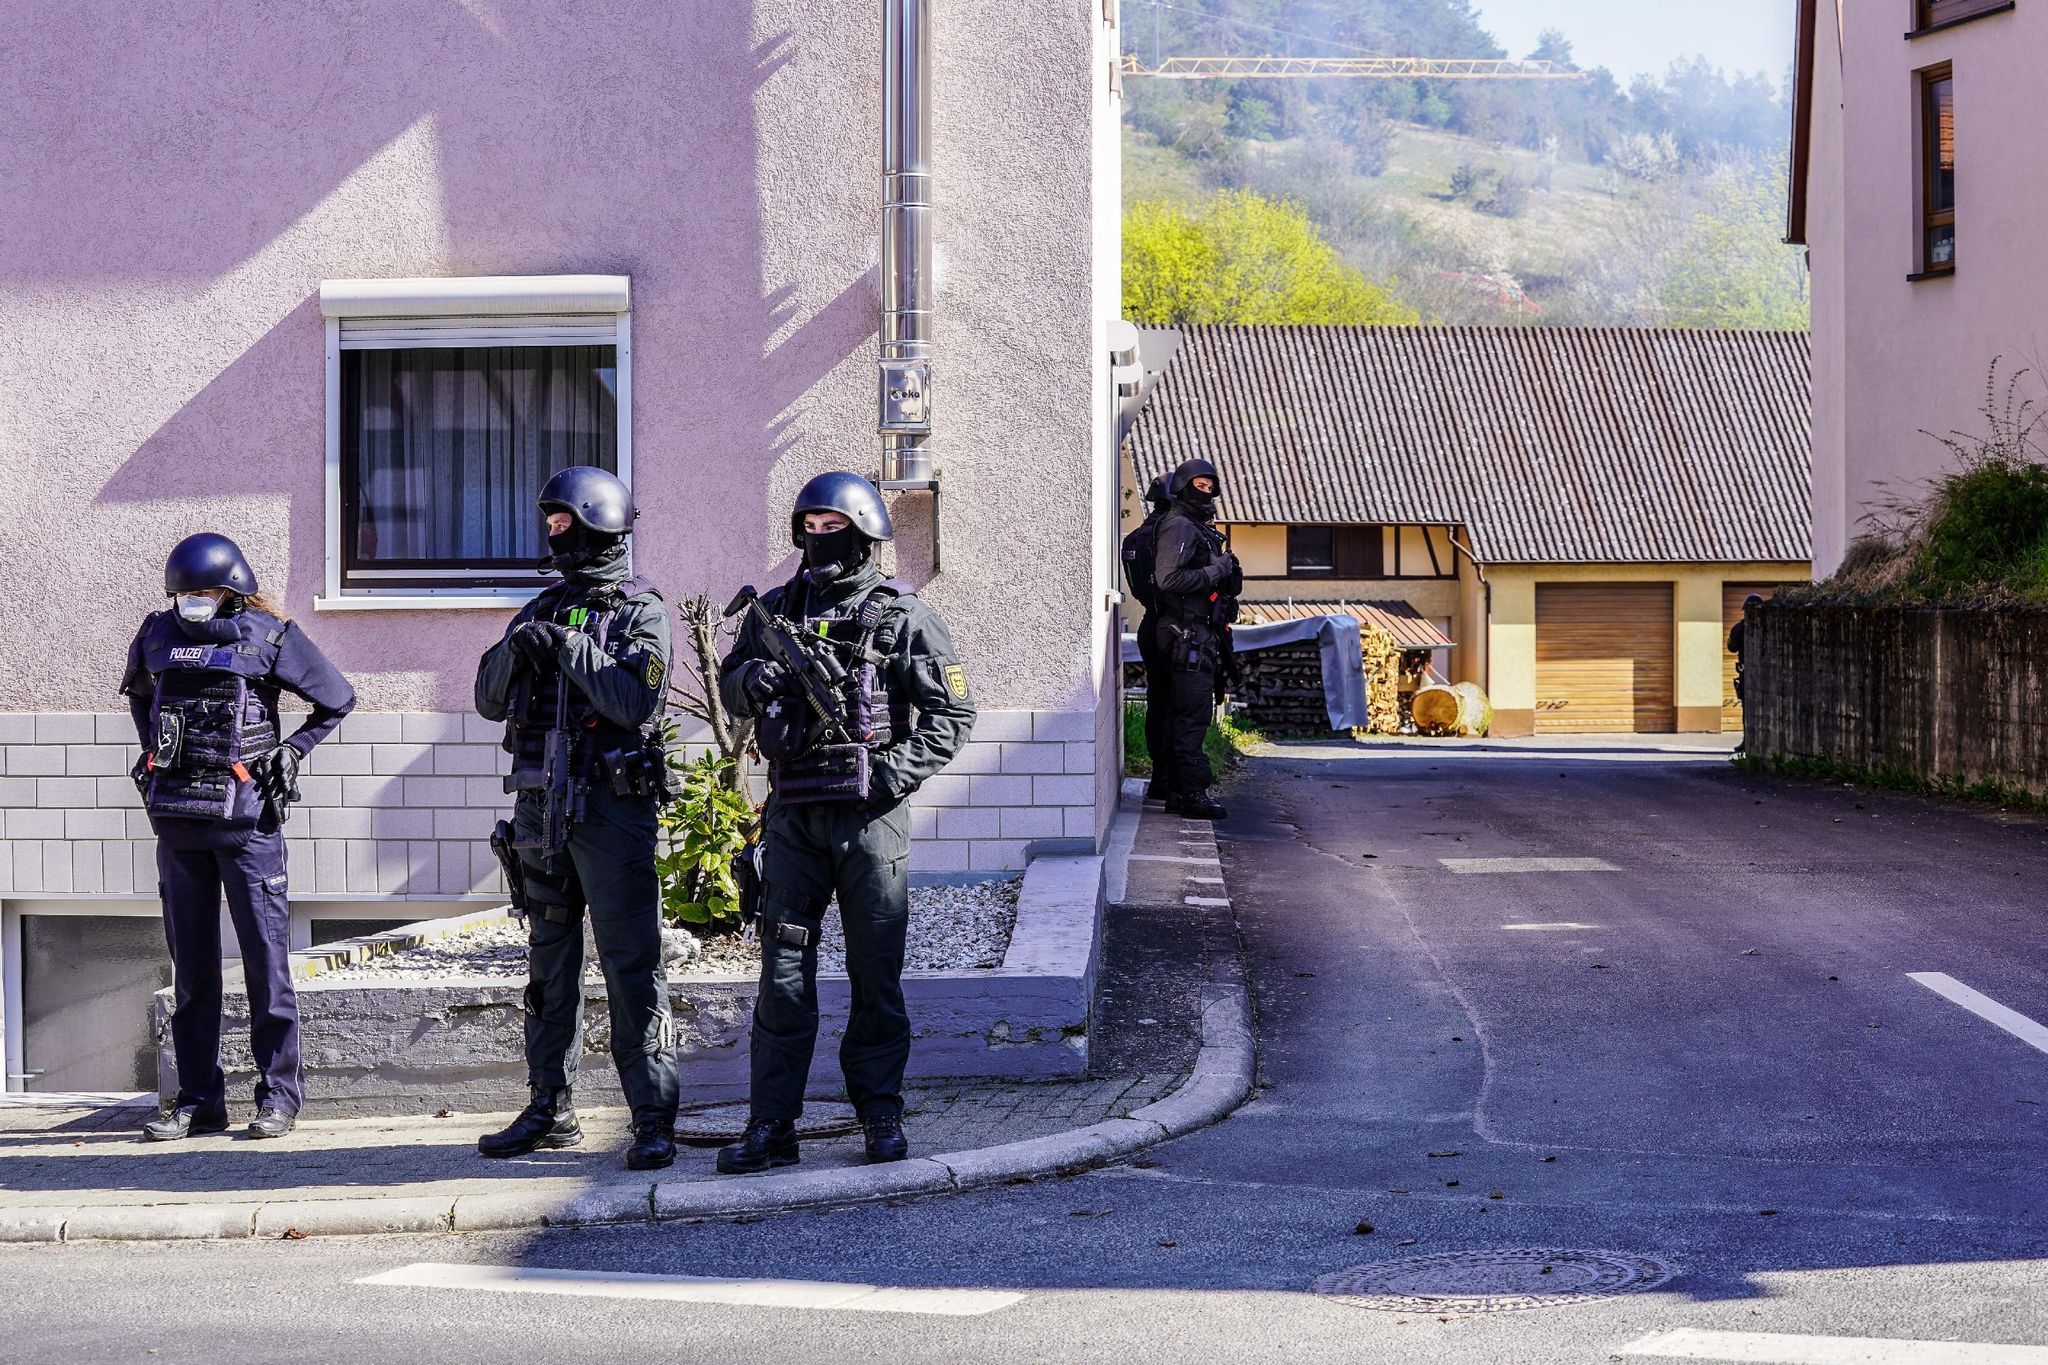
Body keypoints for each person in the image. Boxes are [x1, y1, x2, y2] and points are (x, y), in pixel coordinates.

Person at [715, 471, 975, 1173]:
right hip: (794, 816)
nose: (820, 538)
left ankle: (880, 1114)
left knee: (875, 973)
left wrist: (887, 774)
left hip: (870, 822)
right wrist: (751, 682)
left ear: (865, 534)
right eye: (810, 527)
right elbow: (731, 684)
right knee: (782, 975)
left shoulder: (903, 616)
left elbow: (953, 715)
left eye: (834, 527)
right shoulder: (774, 610)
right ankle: (772, 1125)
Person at [473, 466, 680, 1171]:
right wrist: (515, 648)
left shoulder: (641, 612)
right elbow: (488, 700)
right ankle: (548, 1107)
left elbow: (633, 701)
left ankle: (651, 1116)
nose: (554, 535)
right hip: (540, 807)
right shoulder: (538, 608)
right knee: (548, 963)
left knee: (631, 965)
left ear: (600, 528)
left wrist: (570, 646)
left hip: (611, 811)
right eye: (551, 525)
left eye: (565, 524)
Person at [122, 534, 356, 1141]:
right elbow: (142, 697)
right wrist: (153, 753)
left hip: (248, 824)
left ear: (232, 591)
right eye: (184, 593)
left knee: (265, 966)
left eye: (205, 591)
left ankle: (278, 1098)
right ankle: (198, 1102)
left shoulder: (267, 635)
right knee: (192, 974)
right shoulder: (156, 635)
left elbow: (336, 699)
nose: (193, 601)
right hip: (179, 823)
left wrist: (293, 750)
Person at [1151, 458, 1240, 821]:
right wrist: (1216, 570)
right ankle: (1192, 793)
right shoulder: (1179, 526)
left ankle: (1177, 791)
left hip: (1199, 634)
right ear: (1183, 488)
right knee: (1192, 715)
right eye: (1199, 486)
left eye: (1209, 487)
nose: (1206, 492)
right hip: (1185, 636)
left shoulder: (1197, 527)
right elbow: (1168, 579)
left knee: (1184, 713)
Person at [1121, 475, 1174, 801]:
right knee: (1179, 704)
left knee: (1158, 700)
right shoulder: (1171, 537)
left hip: (1150, 624)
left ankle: (1160, 776)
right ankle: (1173, 779)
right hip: (1174, 627)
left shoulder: (1135, 538)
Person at [1728, 593, 1764, 755]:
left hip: (1749, 674)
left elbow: (1731, 647)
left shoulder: (1740, 628)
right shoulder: (1766, 627)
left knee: (1748, 710)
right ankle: (1749, 741)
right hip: (1755, 674)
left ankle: (1748, 741)